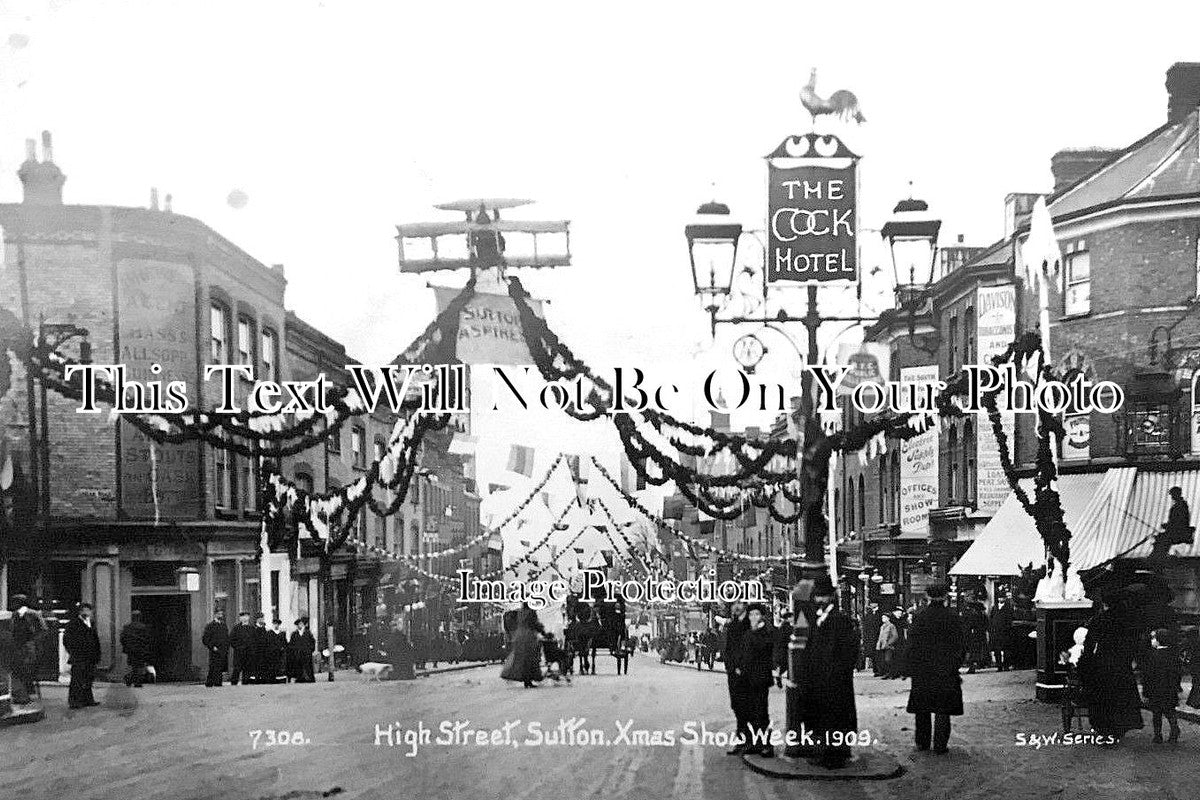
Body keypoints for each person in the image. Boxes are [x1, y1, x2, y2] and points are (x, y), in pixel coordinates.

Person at [799, 575, 859, 769]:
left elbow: (849, 650)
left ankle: (835, 755)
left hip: (835, 680)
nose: (819, 601)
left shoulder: (839, 620)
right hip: (821, 680)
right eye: (818, 597)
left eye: (823, 597)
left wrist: (838, 671)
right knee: (823, 717)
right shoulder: (819, 618)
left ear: (831, 598)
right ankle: (827, 751)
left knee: (835, 717)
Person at [905, 583, 966, 754]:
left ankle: (922, 743)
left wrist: (911, 666)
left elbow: (912, 644)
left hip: (923, 670)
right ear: (946, 596)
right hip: (946, 669)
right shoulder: (952, 617)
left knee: (922, 708)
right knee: (943, 709)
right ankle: (940, 745)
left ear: (927, 596)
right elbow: (960, 645)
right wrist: (955, 664)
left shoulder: (920, 616)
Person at [1078, 590, 1144, 742]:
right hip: (1121, 662)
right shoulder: (1127, 620)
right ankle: (1119, 728)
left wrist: (1087, 660)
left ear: (1105, 603)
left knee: (1103, 697)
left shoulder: (1099, 619)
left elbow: (1089, 643)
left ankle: (1104, 728)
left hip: (1103, 661)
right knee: (1121, 696)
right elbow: (1134, 642)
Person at [735, 603, 776, 757]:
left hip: (760, 678)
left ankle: (767, 745)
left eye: (756, 615)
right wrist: (739, 667)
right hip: (747, 679)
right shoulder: (747, 634)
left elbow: (764, 650)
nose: (753, 617)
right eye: (751, 615)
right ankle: (755, 744)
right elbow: (743, 654)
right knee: (751, 713)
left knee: (761, 713)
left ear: (762, 616)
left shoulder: (766, 632)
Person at [1141, 627, 1182, 744]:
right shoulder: (1173, 655)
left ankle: (1158, 735)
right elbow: (1177, 673)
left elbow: (1147, 675)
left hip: (1155, 689)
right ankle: (1174, 730)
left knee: (1156, 713)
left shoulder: (1152, 656)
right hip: (1169, 688)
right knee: (1170, 711)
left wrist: (1146, 691)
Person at [722, 601, 751, 755]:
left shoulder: (750, 622)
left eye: (740, 603)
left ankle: (749, 741)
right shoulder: (732, 625)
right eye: (734, 604)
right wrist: (730, 667)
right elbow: (728, 648)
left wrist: (743, 667)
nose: (736, 606)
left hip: (746, 672)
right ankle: (742, 740)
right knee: (737, 706)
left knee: (748, 707)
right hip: (733, 672)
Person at [64, 602, 101, 709]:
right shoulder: (73, 623)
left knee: (88, 679)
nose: (88, 612)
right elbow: (67, 640)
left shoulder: (91, 623)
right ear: (80, 611)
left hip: (90, 657)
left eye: (89, 610)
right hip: (79, 656)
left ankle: (88, 699)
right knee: (77, 679)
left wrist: (97, 654)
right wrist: (73, 651)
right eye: (85, 610)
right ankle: (75, 701)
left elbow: (95, 639)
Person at [500, 604, 545, 688]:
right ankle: (529, 679)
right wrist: (543, 632)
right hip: (528, 637)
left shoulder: (519, 613)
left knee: (521, 660)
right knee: (530, 659)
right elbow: (535, 624)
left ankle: (525, 679)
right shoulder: (531, 612)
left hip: (519, 637)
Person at [8, 594, 41, 706]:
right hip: (17, 646)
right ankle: (21, 694)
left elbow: (42, 629)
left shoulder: (32, 614)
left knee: (27, 669)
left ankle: (25, 694)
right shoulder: (14, 615)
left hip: (28, 646)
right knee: (18, 670)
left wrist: (34, 641)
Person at [1154, 486, 1194, 560]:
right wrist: (1167, 525)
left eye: (1172, 494)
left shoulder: (1180, 506)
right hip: (1177, 531)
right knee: (1161, 537)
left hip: (1178, 532)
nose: (1171, 496)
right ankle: (1158, 558)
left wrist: (1167, 526)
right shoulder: (1181, 505)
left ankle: (1157, 559)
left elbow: (1178, 522)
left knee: (1161, 538)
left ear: (1176, 494)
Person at [119, 610, 153, 688]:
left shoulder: (127, 627)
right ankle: (133, 681)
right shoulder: (143, 627)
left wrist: (126, 647)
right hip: (140, 650)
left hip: (130, 650)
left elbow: (122, 639)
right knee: (139, 666)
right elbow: (147, 639)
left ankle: (130, 679)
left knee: (134, 666)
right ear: (139, 617)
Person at [961, 591, 989, 674]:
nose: (967, 598)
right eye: (967, 597)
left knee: (974, 649)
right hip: (967, 632)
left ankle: (974, 665)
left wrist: (983, 629)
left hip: (976, 632)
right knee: (967, 649)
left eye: (969, 597)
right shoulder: (963, 607)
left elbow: (984, 619)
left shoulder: (979, 607)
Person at [201, 610, 230, 688]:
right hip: (214, 650)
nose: (220, 615)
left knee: (220, 667)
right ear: (215, 615)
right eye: (219, 614)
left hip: (222, 650)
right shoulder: (210, 626)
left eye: (221, 614)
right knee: (213, 667)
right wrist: (212, 647)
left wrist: (226, 647)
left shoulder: (224, 626)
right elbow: (205, 639)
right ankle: (209, 683)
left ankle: (218, 683)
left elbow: (226, 637)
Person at [988, 593, 1014, 671]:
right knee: (997, 649)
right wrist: (991, 629)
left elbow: (1010, 619)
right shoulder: (994, 608)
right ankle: (999, 665)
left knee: (1006, 649)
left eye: (1002, 598)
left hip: (1005, 631)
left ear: (1005, 599)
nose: (1001, 599)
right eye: (999, 598)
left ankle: (1006, 665)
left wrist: (1008, 628)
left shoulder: (1008, 608)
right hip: (996, 632)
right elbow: (991, 619)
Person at [228, 611, 255, 685]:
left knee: (247, 670)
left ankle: (245, 684)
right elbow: (231, 639)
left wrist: (252, 649)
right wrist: (238, 647)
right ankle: (234, 684)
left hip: (248, 653)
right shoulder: (236, 628)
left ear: (249, 618)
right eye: (243, 617)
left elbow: (254, 640)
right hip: (239, 653)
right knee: (237, 669)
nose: (245, 618)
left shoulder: (252, 628)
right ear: (240, 618)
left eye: (246, 616)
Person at [288, 617, 317, 682]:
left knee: (307, 666)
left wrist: (311, 650)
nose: (300, 625)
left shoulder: (308, 633)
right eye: (298, 624)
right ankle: (300, 678)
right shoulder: (294, 634)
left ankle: (308, 678)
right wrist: (293, 651)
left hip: (306, 653)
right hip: (298, 653)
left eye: (301, 624)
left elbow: (313, 641)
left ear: (303, 625)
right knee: (298, 666)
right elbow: (291, 644)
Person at [773, 611, 793, 687]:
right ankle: (787, 680)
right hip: (785, 649)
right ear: (788, 618)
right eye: (792, 617)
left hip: (779, 649)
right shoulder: (788, 627)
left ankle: (779, 676)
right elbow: (789, 637)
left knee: (784, 665)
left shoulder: (781, 626)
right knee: (787, 665)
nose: (793, 618)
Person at [876, 613, 899, 679]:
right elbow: (880, 636)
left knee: (888, 660)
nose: (882, 619)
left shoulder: (891, 626)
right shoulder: (882, 626)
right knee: (884, 661)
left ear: (888, 618)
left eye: (884, 617)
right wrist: (878, 644)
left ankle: (891, 673)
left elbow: (895, 636)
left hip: (888, 646)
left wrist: (889, 643)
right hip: (882, 646)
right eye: (882, 617)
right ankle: (887, 673)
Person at [861, 605, 881, 676]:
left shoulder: (867, 617)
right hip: (873, 638)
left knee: (875, 655)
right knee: (875, 655)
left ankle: (877, 670)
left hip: (872, 638)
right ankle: (877, 670)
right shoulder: (872, 616)